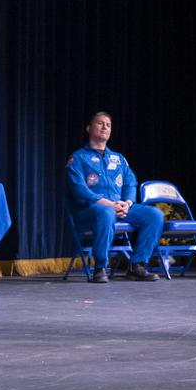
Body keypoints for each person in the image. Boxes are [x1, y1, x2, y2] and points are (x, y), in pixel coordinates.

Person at [65, 111, 163, 282]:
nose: (105, 127)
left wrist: (127, 203)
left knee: (154, 215)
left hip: (118, 208)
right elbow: (79, 188)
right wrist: (109, 204)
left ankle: (137, 265)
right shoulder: (78, 157)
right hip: (89, 210)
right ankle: (100, 267)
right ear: (89, 128)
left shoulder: (118, 158)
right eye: (100, 123)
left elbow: (130, 183)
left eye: (108, 125)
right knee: (106, 212)